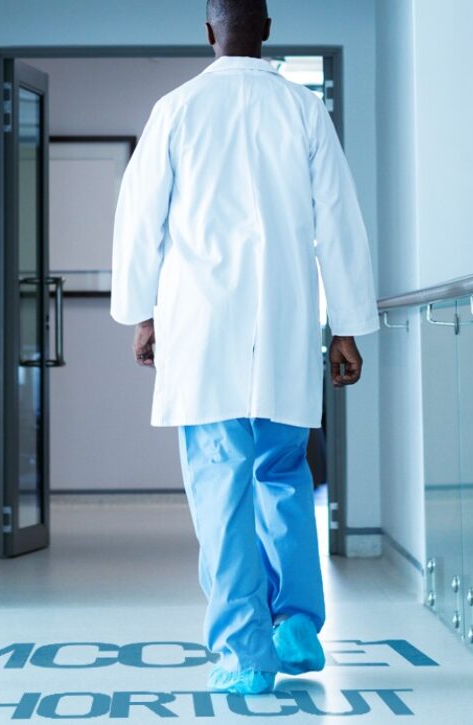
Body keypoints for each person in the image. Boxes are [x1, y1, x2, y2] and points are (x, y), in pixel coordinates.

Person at [110, 0, 378, 695]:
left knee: (220, 486)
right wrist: (344, 324)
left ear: (208, 31)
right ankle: (295, 624)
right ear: (266, 27)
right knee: (283, 473)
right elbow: (339, 221)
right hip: (285, 325)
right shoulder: (301, 110)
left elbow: (140, 221)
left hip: (202, 330)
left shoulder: (175, 109)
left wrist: (143, 314)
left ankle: (243, 650)